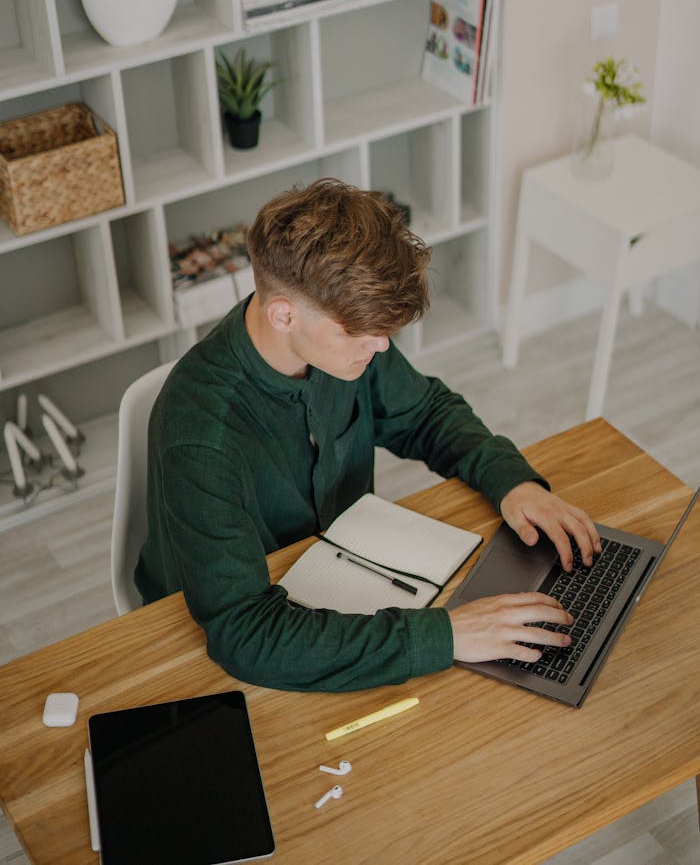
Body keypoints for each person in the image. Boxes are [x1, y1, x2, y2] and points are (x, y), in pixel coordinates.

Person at [136, 179, 601, 692]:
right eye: (361, 332)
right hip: (225, 634)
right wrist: (446, 637)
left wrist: (512, 482)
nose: (380, 347)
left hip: (342, 572)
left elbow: (424, 413)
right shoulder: (201, 436)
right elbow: (246, 634)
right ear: (284, 315)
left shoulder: (339, 341)